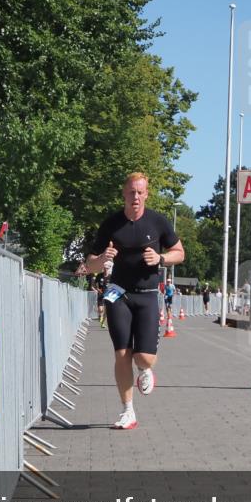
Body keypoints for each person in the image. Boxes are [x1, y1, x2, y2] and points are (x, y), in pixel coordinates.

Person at [77, 173, 184, 430]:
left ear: (146, 194)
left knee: (144, 358)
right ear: (124, 194)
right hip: (117, 292)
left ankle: (145, 370)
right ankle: (128, 411)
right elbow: (88, 265)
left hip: (147, 295)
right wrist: (102, 258)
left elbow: (180, 253)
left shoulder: (158, 222)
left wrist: (160, 258)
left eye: (140, 192)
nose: (135, 197)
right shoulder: (111, 224)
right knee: (122, 353)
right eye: (131, 192)